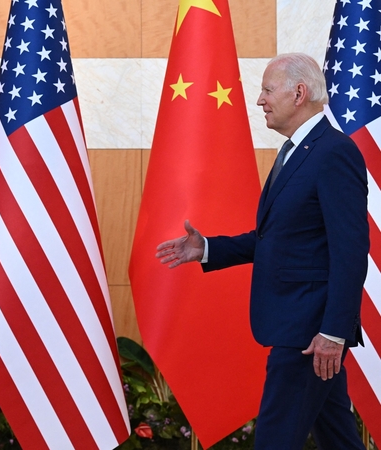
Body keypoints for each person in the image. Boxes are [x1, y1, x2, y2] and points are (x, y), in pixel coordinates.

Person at [155, 53, 368, 449]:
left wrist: (333, 332)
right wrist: (207, 249)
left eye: (268, 90)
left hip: (308, 332)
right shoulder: (295, 152)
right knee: (338, 438)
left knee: (275, 440)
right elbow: (276, 238)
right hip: (300, 327)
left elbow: (351, 251)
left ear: (299, 93)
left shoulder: (333, 152)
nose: (260, 100)